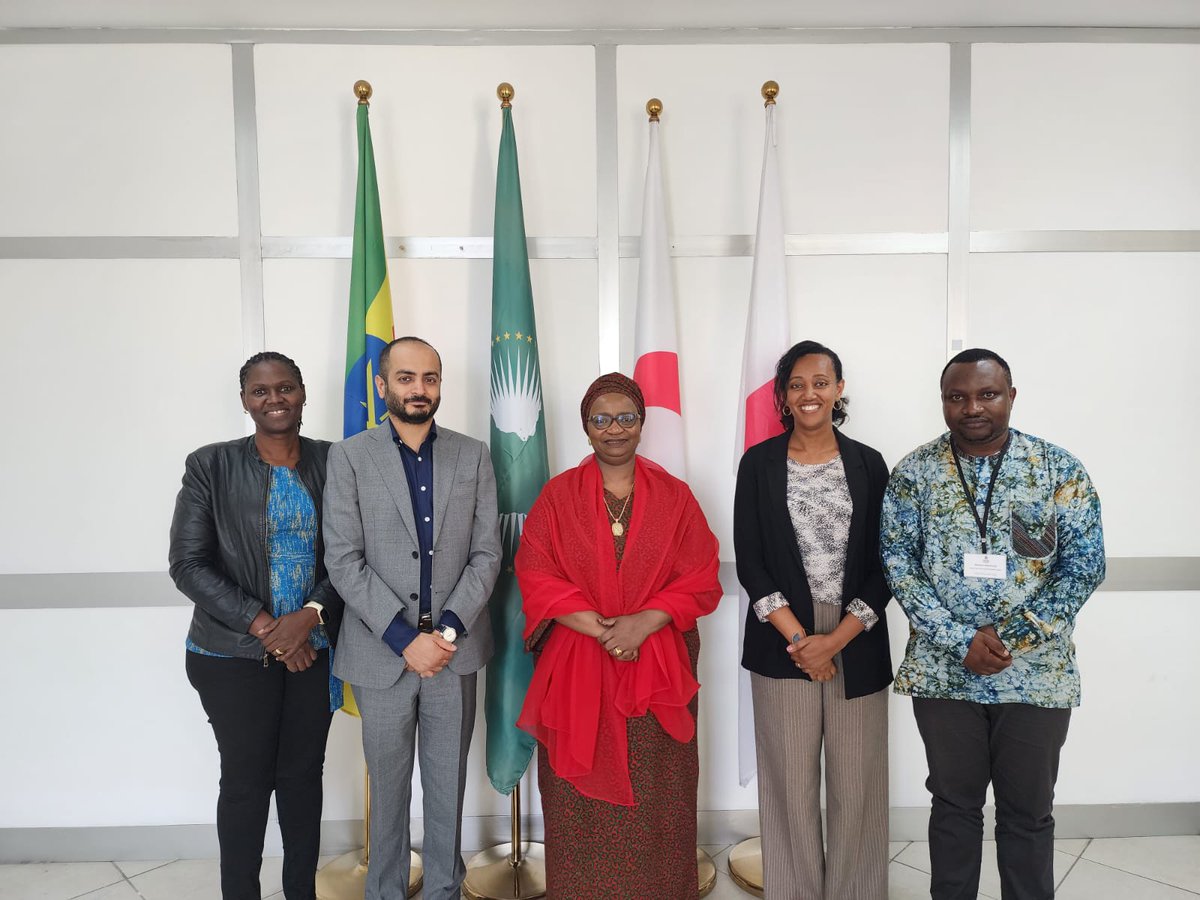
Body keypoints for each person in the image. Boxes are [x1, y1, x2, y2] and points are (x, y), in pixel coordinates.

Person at [881, 347, 1105, 900]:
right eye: (957, 397)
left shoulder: (1056, 468)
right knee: (955, 806)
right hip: (942, 672)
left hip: (1036, 674)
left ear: (1011, 396)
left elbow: (1084, 565)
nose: (972, 407)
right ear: (943, 402)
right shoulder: (915, 473)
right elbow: (898, 565)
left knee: (1028, 811)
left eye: (986, 394)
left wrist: (1012, 637)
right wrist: (961, 641)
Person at [516, 373, 721, 900]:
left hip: (657, 672)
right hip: (577, 673)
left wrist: (641, 623)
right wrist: (606, 631)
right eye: (601, 419)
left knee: (658, 794)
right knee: (576, 802)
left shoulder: (676, 497)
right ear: (585, 427)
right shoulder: (557, 496)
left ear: (642, 423)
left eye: (625, 417)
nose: (614, 429)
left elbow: (701, 577)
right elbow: (535, 574)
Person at [322, 336, 501, 900]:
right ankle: (386, 892)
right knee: (390, 790)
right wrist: (406, 639)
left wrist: (443, 634)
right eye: (406, 378)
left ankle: (446, 889)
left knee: (447, 789)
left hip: (455, 652)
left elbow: (487, 554)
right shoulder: (349, 457)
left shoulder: (472, 455)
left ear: (440, 386)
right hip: (382, 657)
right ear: (383, 386)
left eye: (429, 378)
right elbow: (343, 560)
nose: (418, 389)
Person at [169, 351, 343, 900]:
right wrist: (270, 628)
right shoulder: (209, 465)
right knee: (245, 785)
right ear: (244, 400)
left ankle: (300, 893)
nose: (275, 400)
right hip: (231, 656)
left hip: (314, 651)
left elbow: (352, 556)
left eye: (285, 388)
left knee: (300, 780)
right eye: (261, 391)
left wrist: (309, 616)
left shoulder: (336, 462)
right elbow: (188, 564)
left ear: (303, 393)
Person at [734, 340, 893, 900]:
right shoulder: (757, 464)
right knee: (789, 787)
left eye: (820, 383)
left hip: (858, 637)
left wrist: (838, 640)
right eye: (797, 384)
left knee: (858, 787)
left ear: (839, 389)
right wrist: (803, 641)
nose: (809, 394)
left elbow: (885, 564)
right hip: (784, 639)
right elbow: (750, 561)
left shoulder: (869, 463)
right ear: (782, 394)